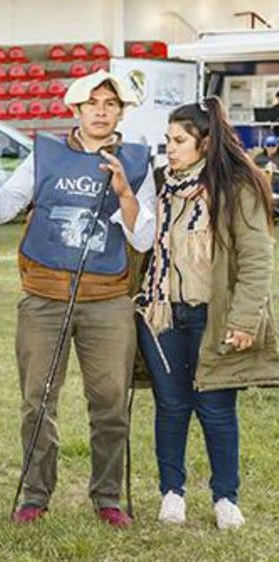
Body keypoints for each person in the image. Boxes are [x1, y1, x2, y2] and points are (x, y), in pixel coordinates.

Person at [0, 70, 157, 527]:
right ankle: (36, 493)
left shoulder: (138, 161)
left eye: (111, 104)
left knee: (109, 400)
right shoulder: (44, 154)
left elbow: (143, 239)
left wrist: (125, 193)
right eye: (93, 103)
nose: (102, 112)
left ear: (121, 112)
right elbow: (4, 206)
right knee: (37, 400)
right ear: (76, 110)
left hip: (107, 300)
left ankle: (107, 496)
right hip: (44, 298)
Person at [135, 97, 279, 529]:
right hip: (160, 314)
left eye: (179, 140)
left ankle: (225, 497)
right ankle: (171, 493)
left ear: (206, 141)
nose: (171, 149)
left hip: (213, 315)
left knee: (216, 408)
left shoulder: (238, 186)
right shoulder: (161, 184)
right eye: (167, 140)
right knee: (171, 406)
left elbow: (256, 259)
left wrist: (243, 319)